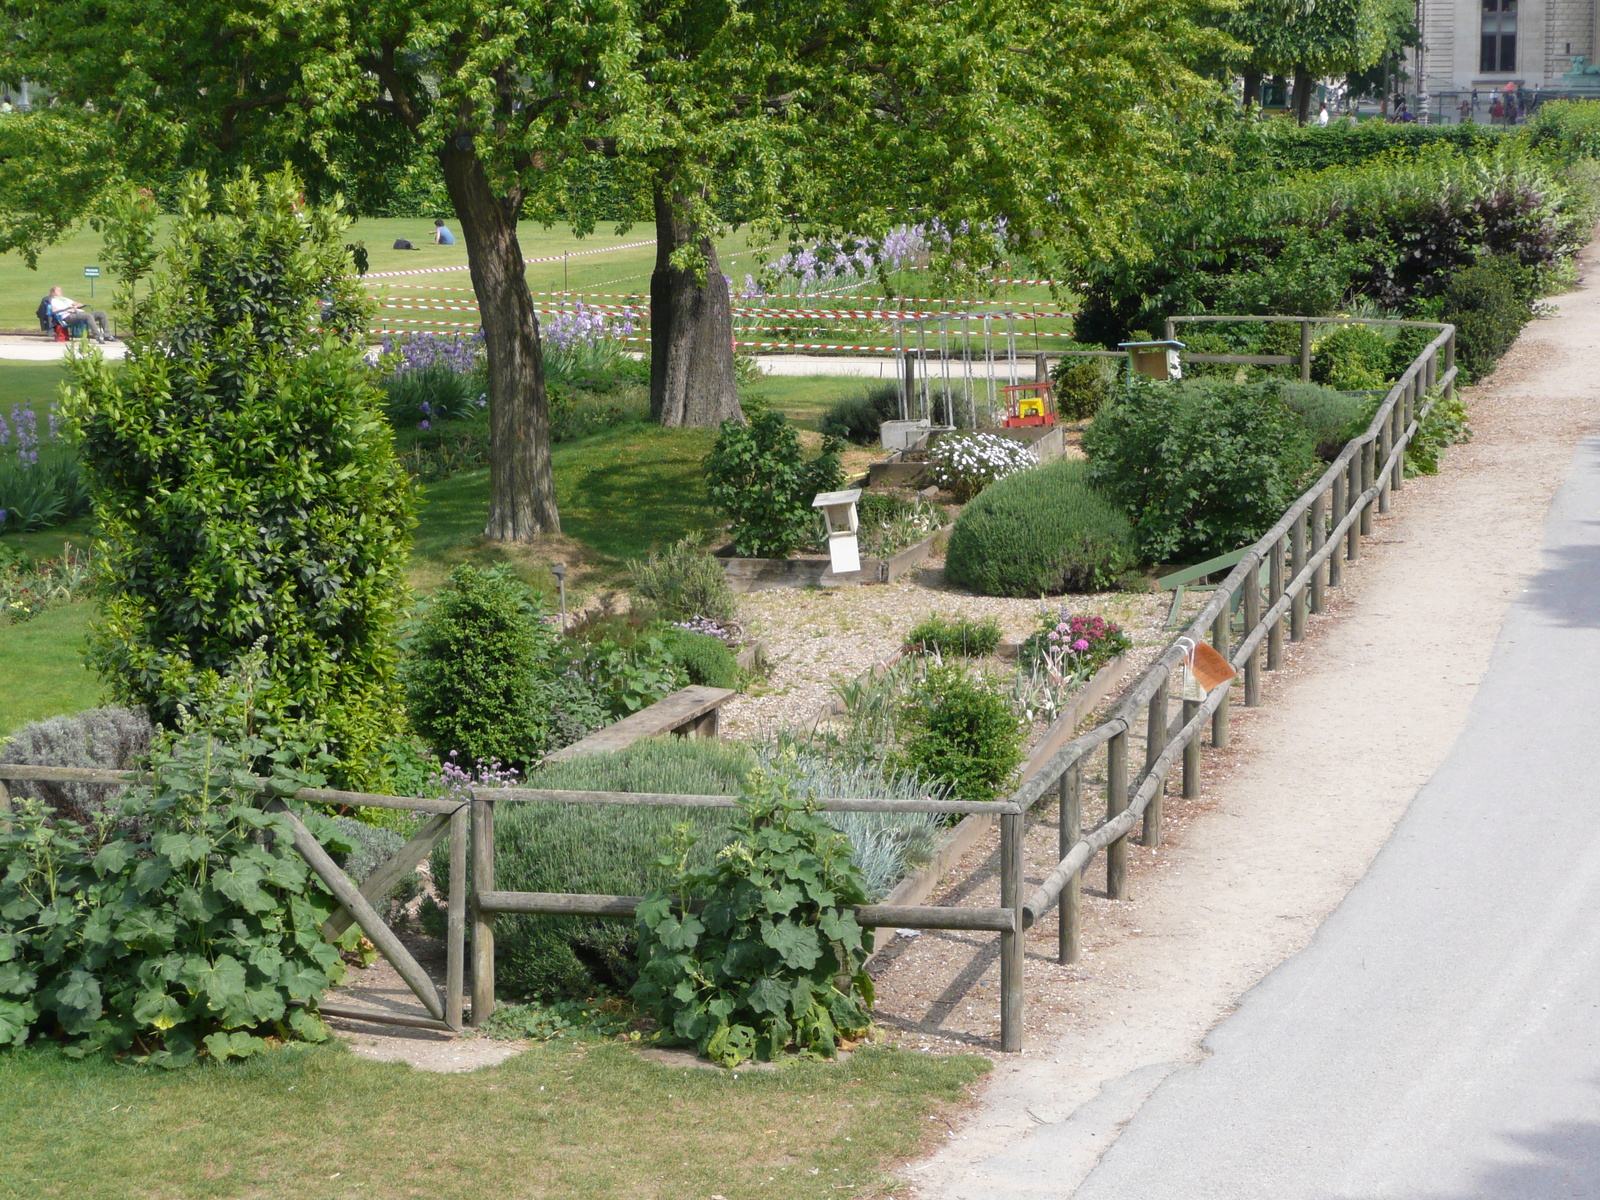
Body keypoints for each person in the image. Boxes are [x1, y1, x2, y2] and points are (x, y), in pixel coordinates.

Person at [45, 286, 114, 342]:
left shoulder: (65, 299)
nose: (61, 292)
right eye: (58, 290)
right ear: (52, 293)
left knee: (102, 313)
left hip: (78, 313)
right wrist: (68, 309)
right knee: (88, 316)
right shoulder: (53, 300)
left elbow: (80, 304)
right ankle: (98, 336)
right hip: (68, 316)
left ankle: (107, 335)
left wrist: (74, 306)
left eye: (61, 290)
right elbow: (54, 310)